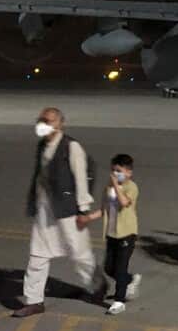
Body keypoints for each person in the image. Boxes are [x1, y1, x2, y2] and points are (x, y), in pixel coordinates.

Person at [13, 107, 102, 317]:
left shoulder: (72, 147)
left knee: (79, 252)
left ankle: (97, 287)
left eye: (51, 121)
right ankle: (34, 300)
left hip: (68, 209)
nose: (46, 124)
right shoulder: (41, 144)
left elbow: (81, 177)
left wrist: (83, 209)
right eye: (43, 120)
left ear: (61, 124)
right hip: (45, 209)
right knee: (37, 254)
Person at [78, 154, 140, 315]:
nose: (115, 174)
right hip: (112, 233)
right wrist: (88, 218)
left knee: (120, 268)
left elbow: (124, 203)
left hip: (127, 233)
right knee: (109, 267)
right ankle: (130, 279)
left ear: (128, 172)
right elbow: (104, 208)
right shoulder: (109, 187)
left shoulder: (131, 187)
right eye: (113, 170)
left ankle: (119, 302)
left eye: (119, 171)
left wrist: (116, 186)